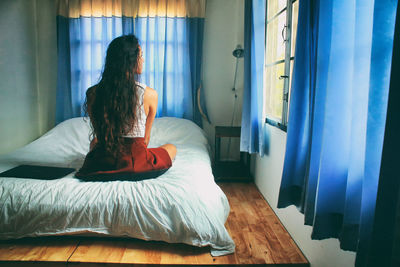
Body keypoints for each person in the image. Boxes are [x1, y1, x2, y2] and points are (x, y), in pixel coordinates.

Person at [76, 35, 176, 181]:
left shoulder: (92, 93)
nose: (143, 59)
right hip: (135, 161)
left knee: (95, 143)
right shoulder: (149, 94)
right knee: (171, 148)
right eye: (141, 55)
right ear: (131, 60)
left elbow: (100, 134)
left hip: (103, 160)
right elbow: (145, 141)